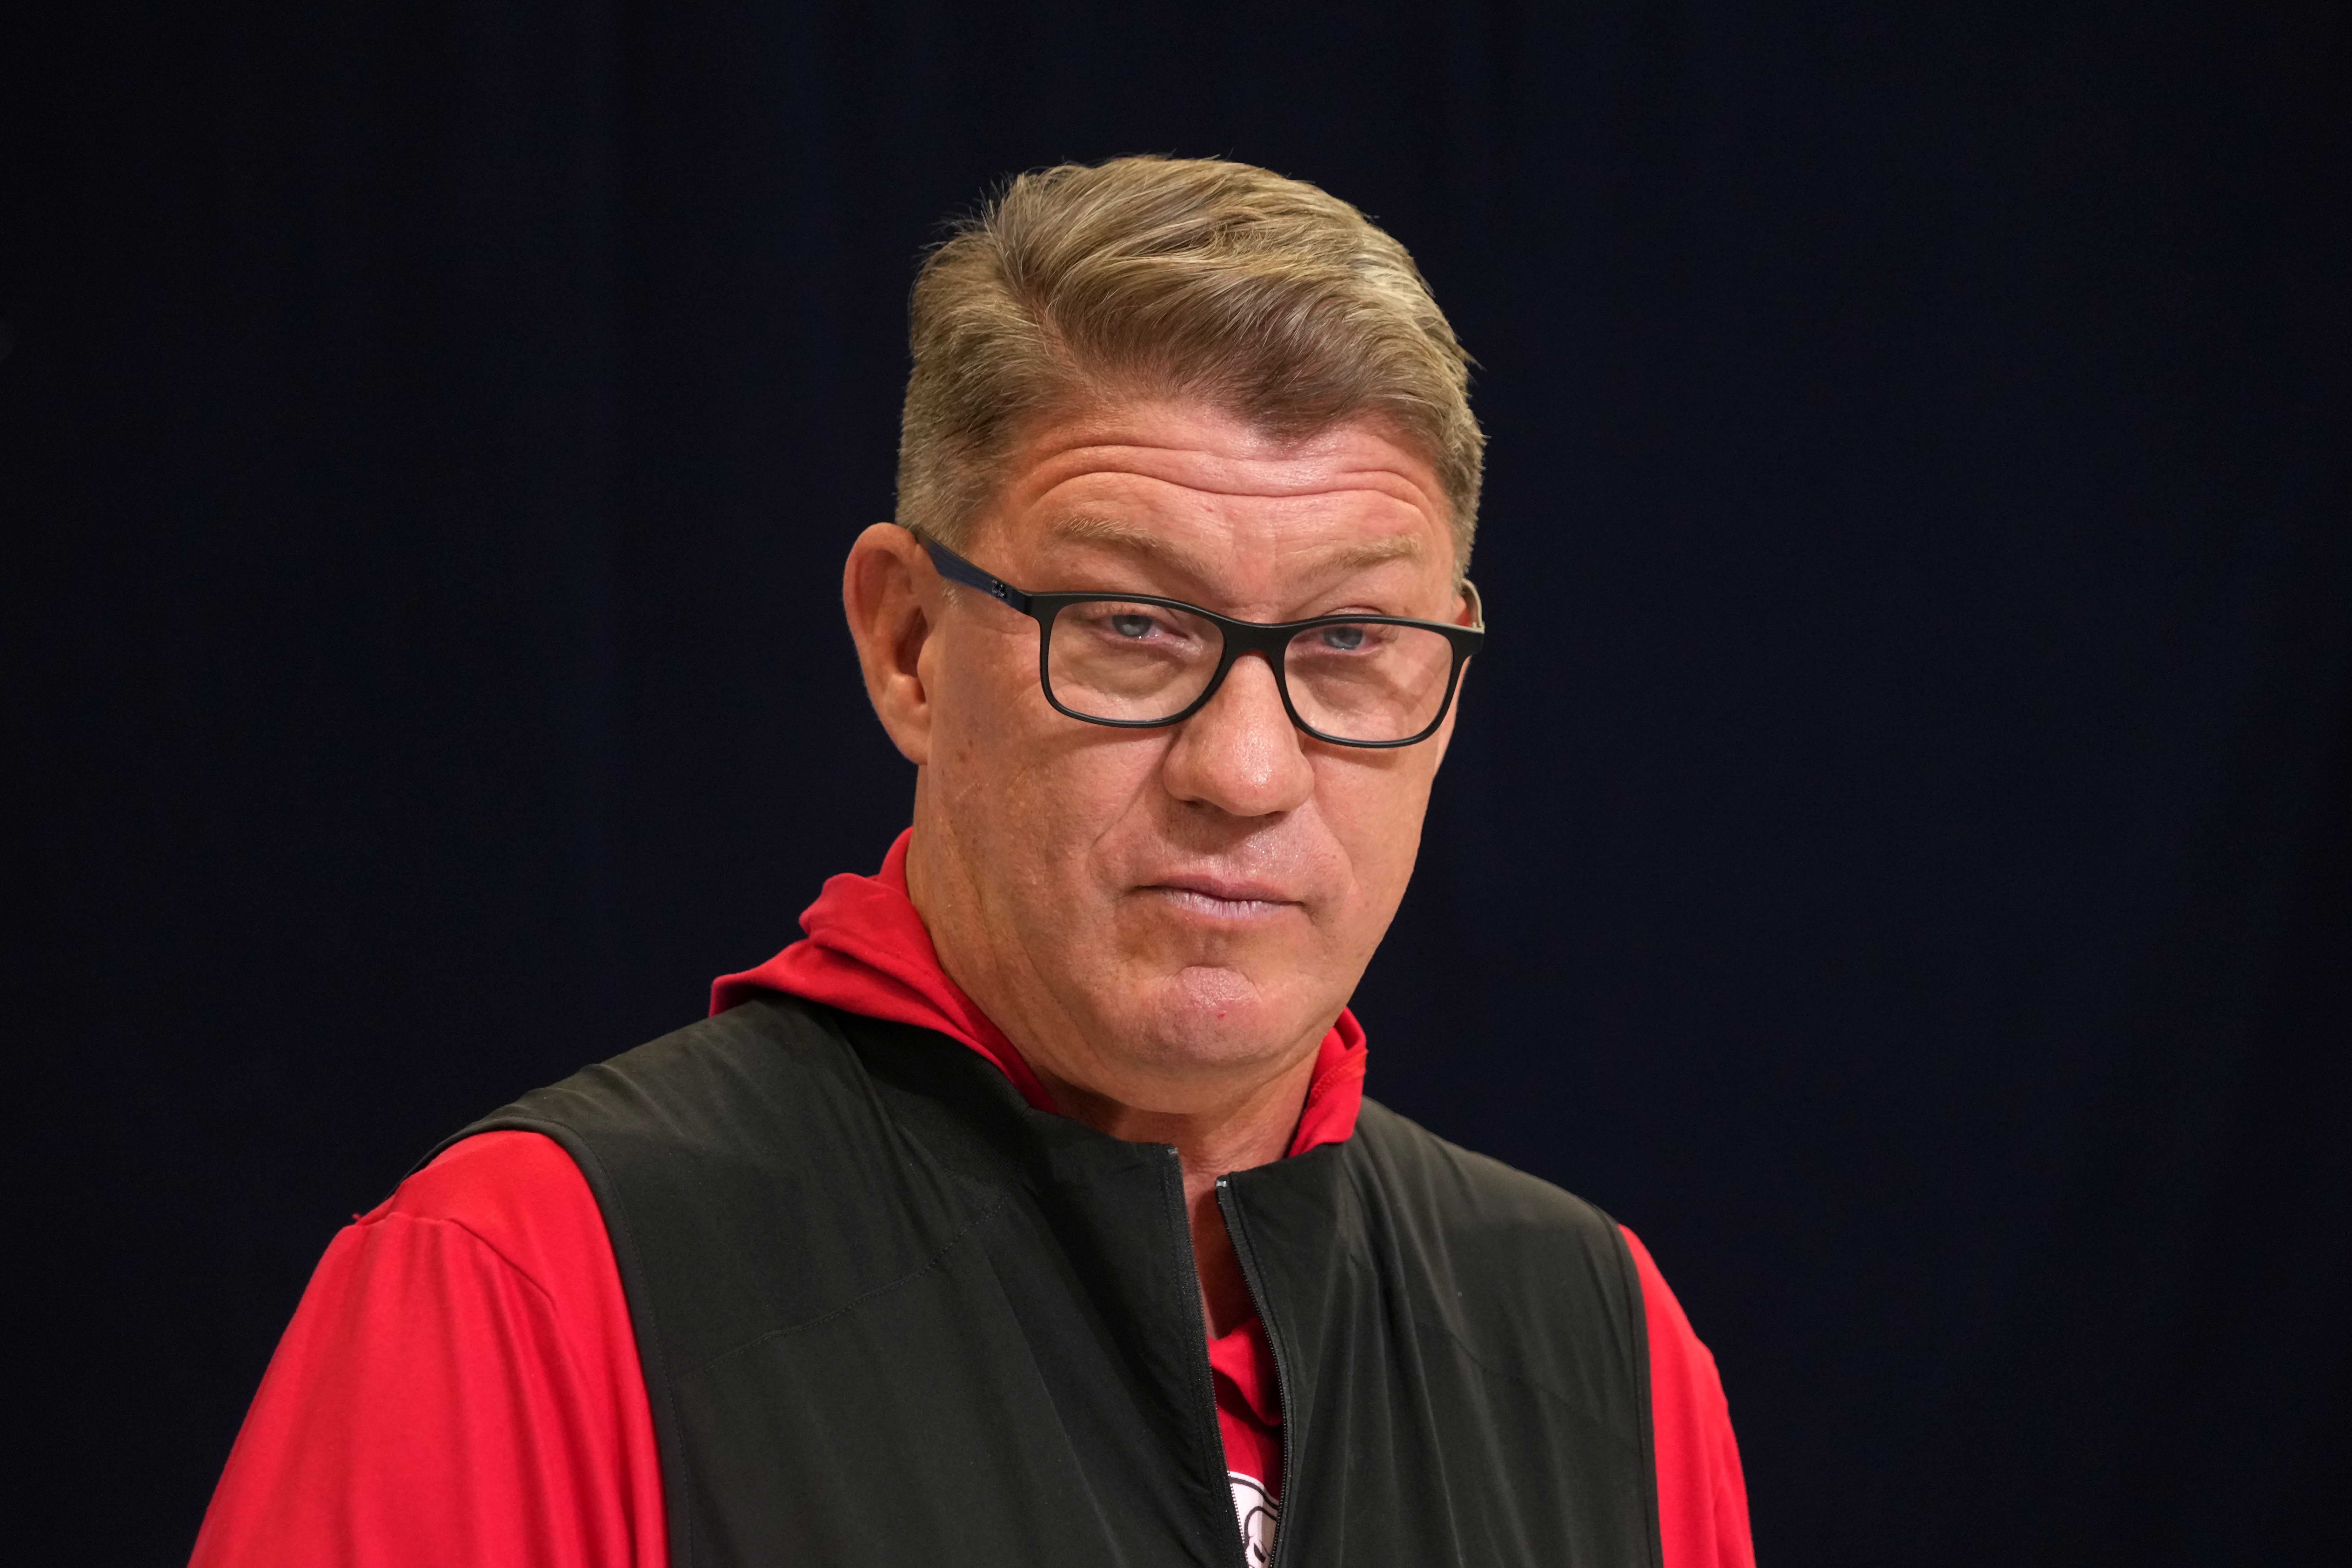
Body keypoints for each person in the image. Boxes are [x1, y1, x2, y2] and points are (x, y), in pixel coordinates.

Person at [191, 155, 1752, 1568]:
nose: (1246, 770)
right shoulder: (522, 1291)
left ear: (1451, 672)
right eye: (1133, 626)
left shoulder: (1602, 1348)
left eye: (1349, 642)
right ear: (908, 642)